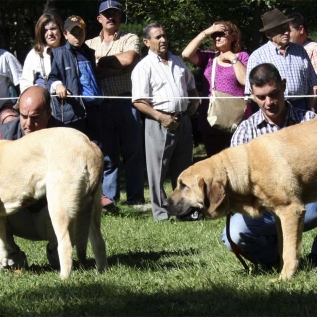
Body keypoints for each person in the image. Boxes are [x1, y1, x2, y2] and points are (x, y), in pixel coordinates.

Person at [222, 63, 317, 271]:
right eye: (261, 97)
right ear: (252, 95)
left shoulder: (309, 121)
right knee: (234, 236)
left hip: (307, 203)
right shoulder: (244, 132)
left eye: (274, 94)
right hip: (264, 209)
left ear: (284, 86)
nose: (269, 102)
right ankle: (279, 258)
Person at [0, 86, 62, 268]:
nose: (28, 124)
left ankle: (59, 259)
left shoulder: (63, 136)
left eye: (35, 118)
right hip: (14, 212)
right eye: (23, 116)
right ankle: (13, 261)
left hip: (50, 212)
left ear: (49, 113)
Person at [131, 22, 200, 221]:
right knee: (157, 171)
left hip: (183, 120)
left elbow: (191, 85)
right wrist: (161, 117)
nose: (163, 40)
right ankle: (161, 213)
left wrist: (194, 102)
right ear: (146, 42)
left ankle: (184, 210)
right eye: (157, 37)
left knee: (184, 170)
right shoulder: (143, 67)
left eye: (164, 36)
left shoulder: (177, 61)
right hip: (159, 121)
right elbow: (138, 101)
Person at [85, 0, 145, 207]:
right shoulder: (89, 43)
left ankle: (135, 198)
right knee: (107, 155)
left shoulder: (130, 38)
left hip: (127, 101)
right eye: (106, 14)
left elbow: (129, 59)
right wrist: (116, 67)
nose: (111, 17)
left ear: (120, 17)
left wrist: (101, 63)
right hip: (101, 105)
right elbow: (89, 71)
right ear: (99, 19)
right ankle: (110, 199)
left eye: (115, 13)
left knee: (134, 152)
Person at [181, 21, 249, 157]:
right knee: (215, 162)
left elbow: (244, 80)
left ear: (233, 37)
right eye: (214, 35)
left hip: (237, 119)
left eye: (221, 34)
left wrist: (232, 58)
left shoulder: (242, 56)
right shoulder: (208, 58)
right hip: (211, 118)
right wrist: (206, 32)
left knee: (238, 160)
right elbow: (186, 54)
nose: (217, 38)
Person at [246, 9, 317, 112]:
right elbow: (251, 92)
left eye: (287, 28)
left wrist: (310, 108)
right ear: (268, 34)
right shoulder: (257, 56)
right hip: (273, 110)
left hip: (301, 108)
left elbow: (311, 84)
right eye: (280, 29)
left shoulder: (300, 51)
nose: (286, 32)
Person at [48, 15, 102, 145]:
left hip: (95, 109)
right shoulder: (59, 53)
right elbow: (52, 78)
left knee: (97, 145)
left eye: (80, 32)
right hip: (75, 110)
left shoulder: (89, 53)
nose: (77, 36)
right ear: (65, 34)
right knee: (77, 147)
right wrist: (58, 86)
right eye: (73, 33)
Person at [287, 13, 317, 115]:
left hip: (314, 115)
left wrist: (314, 110)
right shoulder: (292, 51)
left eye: (289, 30)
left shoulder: (315, 49)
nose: (286, 34)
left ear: (301, 29)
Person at [19, 13, 65, 92]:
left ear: (60, 29)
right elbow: (25, 84)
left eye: (53, 28)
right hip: (45, 102)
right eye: (45, 30)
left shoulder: (70, 51)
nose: (50, 33)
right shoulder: (34, 54)